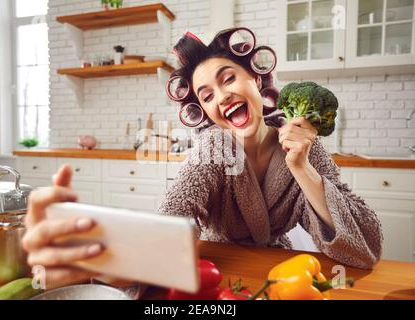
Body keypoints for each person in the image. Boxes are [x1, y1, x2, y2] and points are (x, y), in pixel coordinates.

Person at [22, 28, 383, 292]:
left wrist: (302, 170)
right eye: (207, 95)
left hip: (279, 272)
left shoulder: (305, 146)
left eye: (229, 79)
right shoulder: (212, 149)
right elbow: (172, 216)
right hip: (214, 272)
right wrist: (100, 263)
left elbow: (366, 247)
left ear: (256, 81)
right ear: (206, 111)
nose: (221, 96)